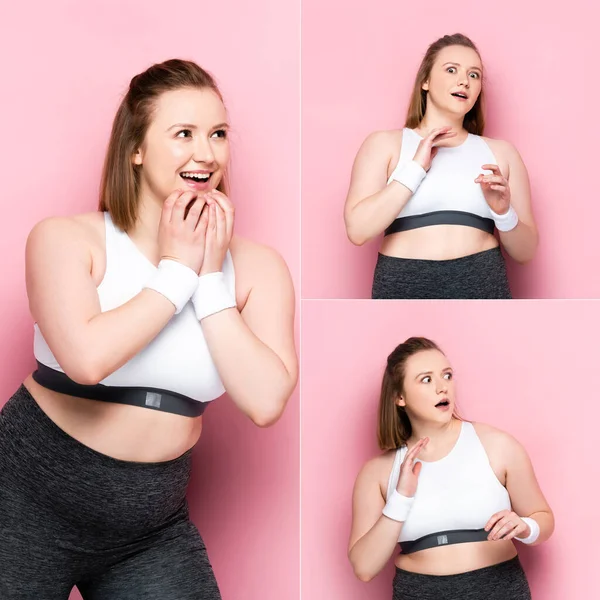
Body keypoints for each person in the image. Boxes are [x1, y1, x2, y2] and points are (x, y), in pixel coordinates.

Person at [0, 59, 297, 600]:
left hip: (149, 526)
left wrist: (208, 279)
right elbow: (86, 360)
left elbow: (265, 401)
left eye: (218, 134)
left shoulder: (258, 268)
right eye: (183, 133)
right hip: (24, 500)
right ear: (135, 147)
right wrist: (176, 272)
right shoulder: (66, 239)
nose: (205, 153)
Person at [348, 337, 553, 599]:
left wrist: (526, 526)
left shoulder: (497, 445)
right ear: (400, 397)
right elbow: (364, 568)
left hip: (498, 589)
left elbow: (543, 517)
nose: (442, 387)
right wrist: (400, 499)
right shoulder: (377, 472)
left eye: (447, 375)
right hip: (419, 592)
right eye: (426, 379)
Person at [344, 34, 538, 299]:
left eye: (474, 75)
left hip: (481, 280)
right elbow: (358, 230)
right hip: (404, 282)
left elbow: (525, 253)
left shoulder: (502, 153)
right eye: (451, 70)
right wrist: (415, 169)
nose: (464, 81)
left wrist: (503, 213)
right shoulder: (384, 144)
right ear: (425, 81)